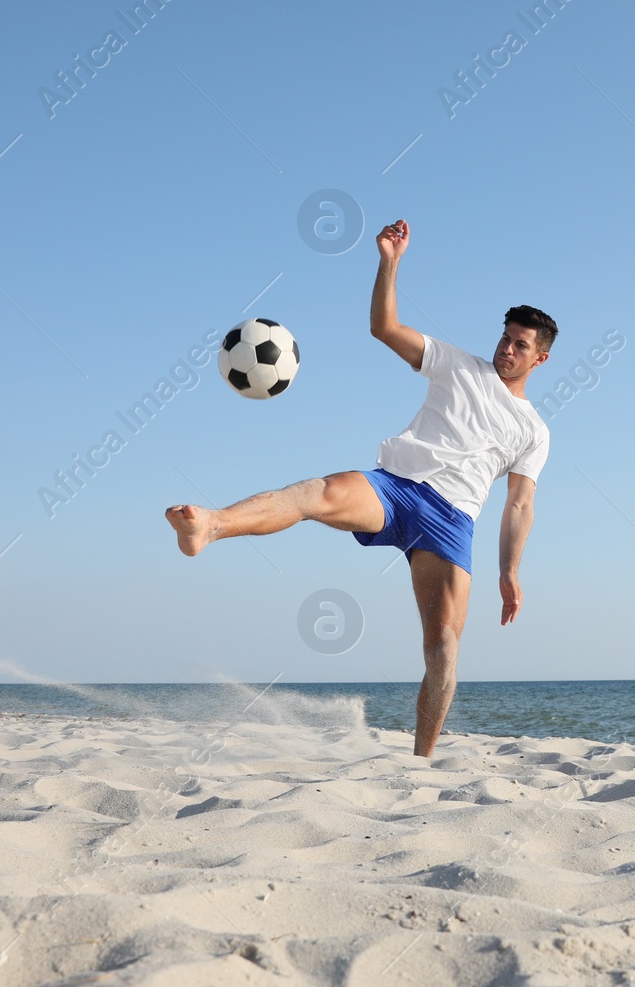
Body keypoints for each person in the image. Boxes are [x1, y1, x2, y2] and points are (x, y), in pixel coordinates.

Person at [164, 220, 555, 757]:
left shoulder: (534, 430)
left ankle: (421, 762)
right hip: (394, 488)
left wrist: (510, 571)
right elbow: (384, 326)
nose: (507, 349)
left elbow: (520, 504)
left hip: (452, 519)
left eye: (520, 344)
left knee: (442, 647)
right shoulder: (458, 365)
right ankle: (210, 524)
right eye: (505, 337)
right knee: (316, 493)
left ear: (541, 358)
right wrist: (390, 262)